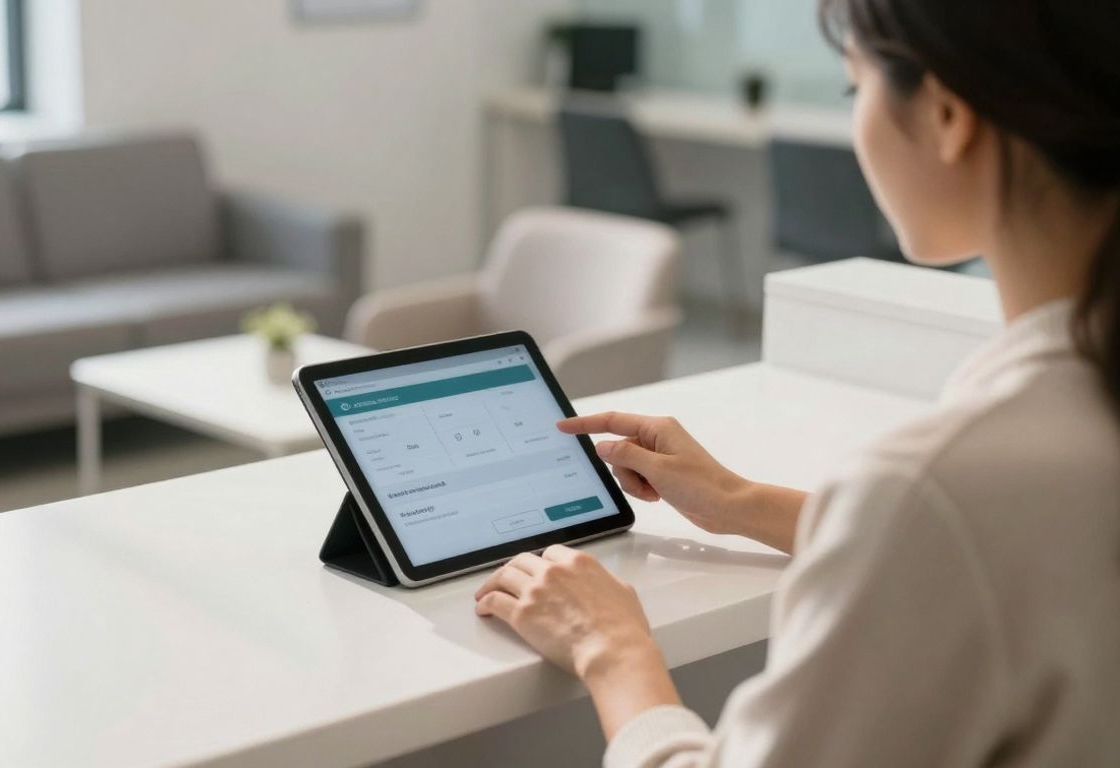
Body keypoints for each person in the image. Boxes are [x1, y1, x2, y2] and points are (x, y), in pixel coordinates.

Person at [473, 0, 1120, 764]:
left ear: (947, 114)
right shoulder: (1049, 436)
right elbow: (999, 538)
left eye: (855, 89)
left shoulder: (936, 482)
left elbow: (943, 520)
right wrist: (739, 503)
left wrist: (610, 649)